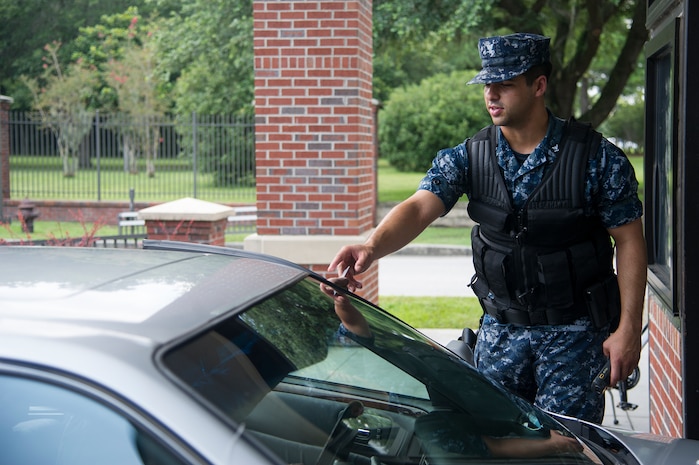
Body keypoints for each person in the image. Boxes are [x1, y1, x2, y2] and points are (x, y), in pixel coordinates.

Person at [328, 32, 647, 424]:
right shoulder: (470, 156)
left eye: (506, 85)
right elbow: (418, 207)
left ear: (538, 86)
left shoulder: (597, 159)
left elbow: (631, 241)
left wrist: (629, 329)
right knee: (495, 443)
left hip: (575, 340)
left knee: (567, 449)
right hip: (501, 336)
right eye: (487, 85)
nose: (491, 95)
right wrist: (370, 247)